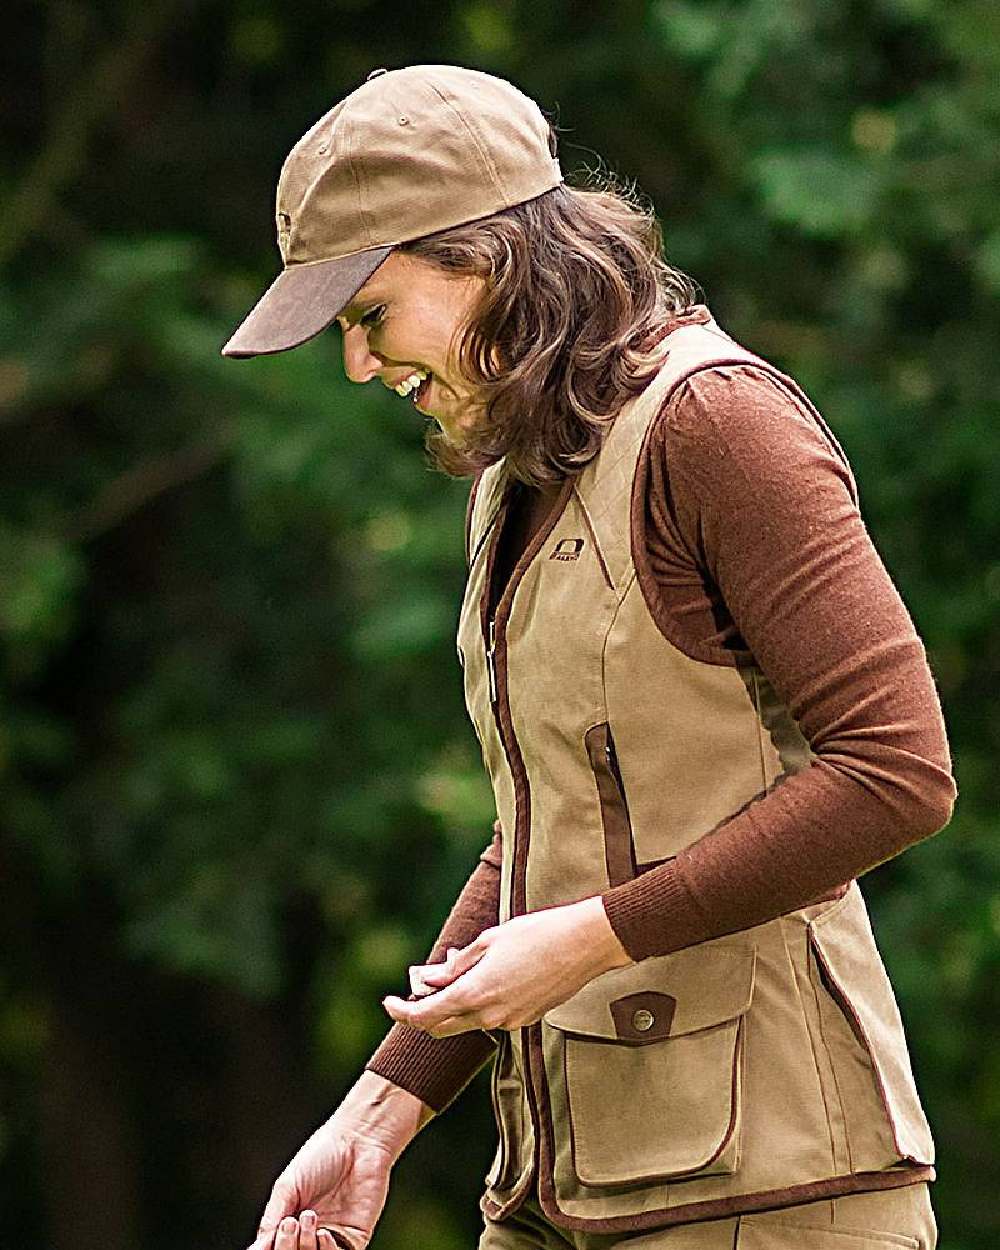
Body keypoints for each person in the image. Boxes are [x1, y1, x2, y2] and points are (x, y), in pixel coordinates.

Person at [222, 64, 956, 1250]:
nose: (361, 366)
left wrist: (590, 937)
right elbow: (545, 831)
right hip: (563, 1183)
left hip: (773, 1196)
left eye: (369, 315)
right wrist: (379, 1110)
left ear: (487, 259)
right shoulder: (519, 476)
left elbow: (898, 770)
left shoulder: (718, 424)